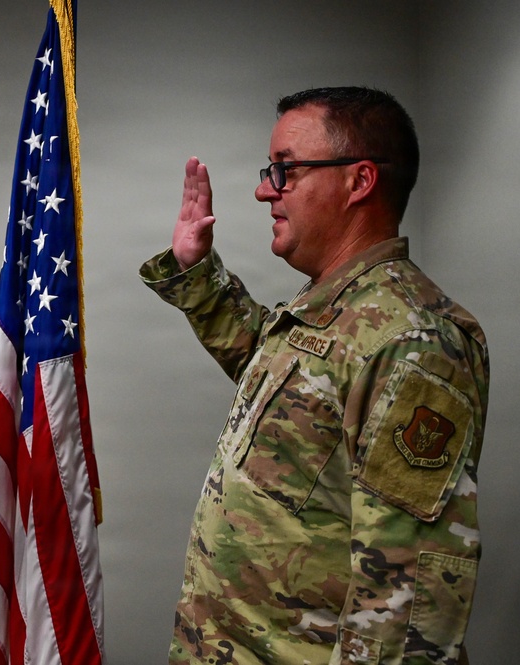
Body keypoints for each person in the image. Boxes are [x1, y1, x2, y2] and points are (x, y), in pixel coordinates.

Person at [140, 87, 489, 664]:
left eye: (285, 170)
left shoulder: (412, 340)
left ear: (359, 181)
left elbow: (409, 589)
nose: (263, 190)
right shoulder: (337, 308)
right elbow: (291, 395)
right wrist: (195, 273)